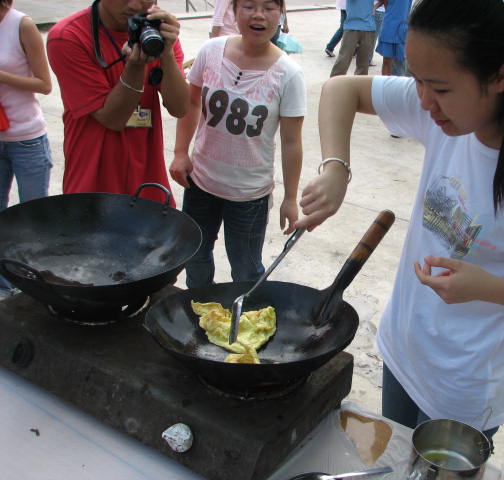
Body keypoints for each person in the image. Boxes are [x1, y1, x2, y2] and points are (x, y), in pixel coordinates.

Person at [294, 0, 504, 440]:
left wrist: (485, 287)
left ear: (501, 76)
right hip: (404, 350)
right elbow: (341, 90)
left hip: (464, 386)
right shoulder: (444, 111)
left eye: (438, 88)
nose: (423, 102)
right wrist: (336, 167)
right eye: (416, 81)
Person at [170, 0, 305, 287]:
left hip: (249, 196)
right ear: (233, 11)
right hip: (201, 183)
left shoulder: (289, 74)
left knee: (245, 269)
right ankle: (199, 309)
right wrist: (181, 153)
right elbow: (192, 103)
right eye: (248, 5)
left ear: (281, 12)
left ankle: (246, 322)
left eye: (269, 7)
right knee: (194, 255)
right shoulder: (210, 52)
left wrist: (290, 198)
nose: (258, 15)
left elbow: (292, 141)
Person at [47, 0, 189, 205]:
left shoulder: (156, 31)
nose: (135, 4)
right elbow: (112, 119)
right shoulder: (68, 36)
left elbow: (180, 107)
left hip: (148, 177)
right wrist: (135, 67)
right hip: (93, 178)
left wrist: (166, 53)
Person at [0, 0, 53, 298]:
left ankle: (35, 287)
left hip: (25, 138)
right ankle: (5, 288)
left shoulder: (22, 25)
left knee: (33, 219)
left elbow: (44, 84)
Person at [329, 0, 377, 77]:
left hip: (368, 27)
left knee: (363, 65)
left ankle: (358, 87)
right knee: (343, 60)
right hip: (352, 27)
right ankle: (333, 85)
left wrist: (374, 7)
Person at [376, 0, 412, 76]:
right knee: (386, 62)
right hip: (389, 26)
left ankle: (398, 86)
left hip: (402, 28)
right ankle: (385, 86)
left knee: (400, 64)